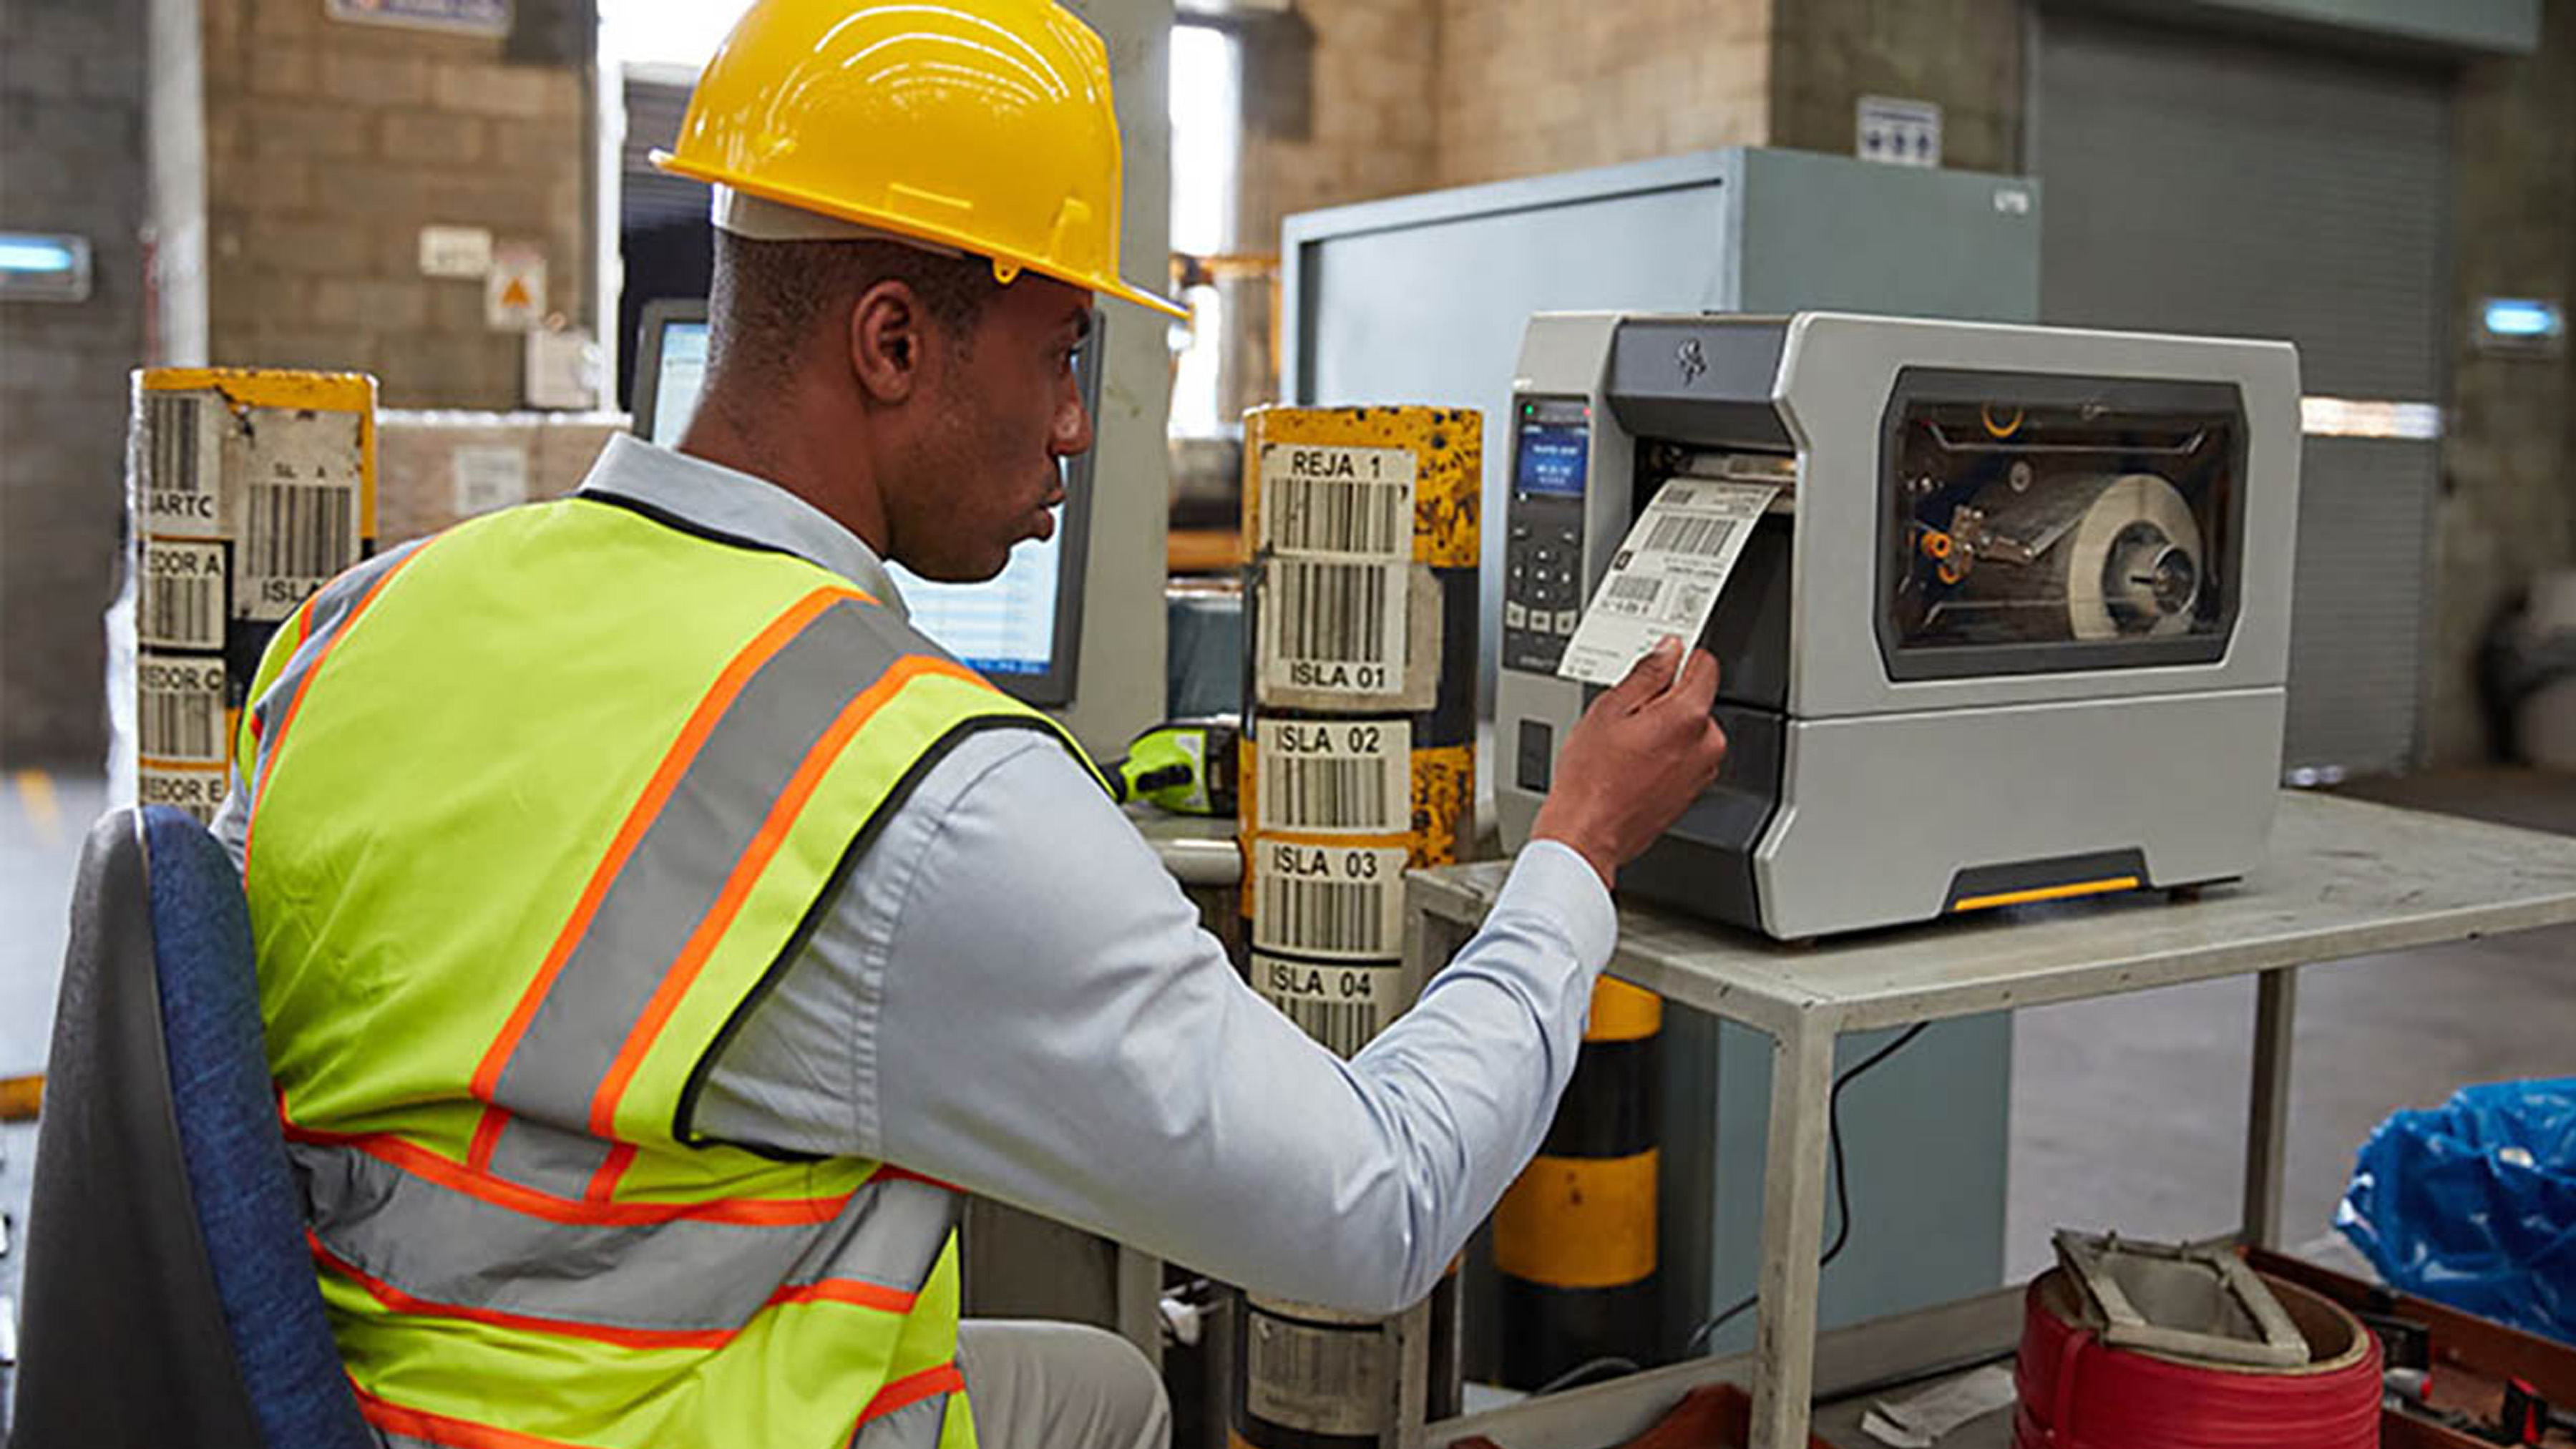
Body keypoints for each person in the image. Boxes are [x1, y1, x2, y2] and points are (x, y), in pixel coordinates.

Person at [210, 1, 1728, 1446]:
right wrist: (1579, 844)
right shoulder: (905, 787)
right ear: (891, 343)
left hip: (397, 1381)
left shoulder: (362, 621)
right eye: (1063, 350)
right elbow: (1373, 1205)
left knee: (1101, 1390)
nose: (1078, 421)